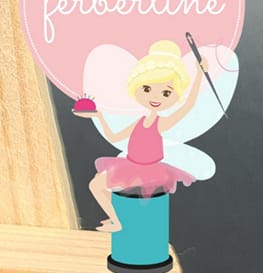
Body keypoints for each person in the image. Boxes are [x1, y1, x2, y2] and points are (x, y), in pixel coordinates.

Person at [85, 38, 207, 232]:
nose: (155, 97)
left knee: (104, 188)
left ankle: (118, 222)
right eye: (148, 89)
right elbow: (114, 137)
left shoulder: (161, 123)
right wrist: (99, 116)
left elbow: (188, 105)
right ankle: (117, 219)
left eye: (166, 93)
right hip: (129, 164)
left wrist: (199, 75)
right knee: (97, 184)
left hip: (147, 170)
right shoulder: (139, 121)